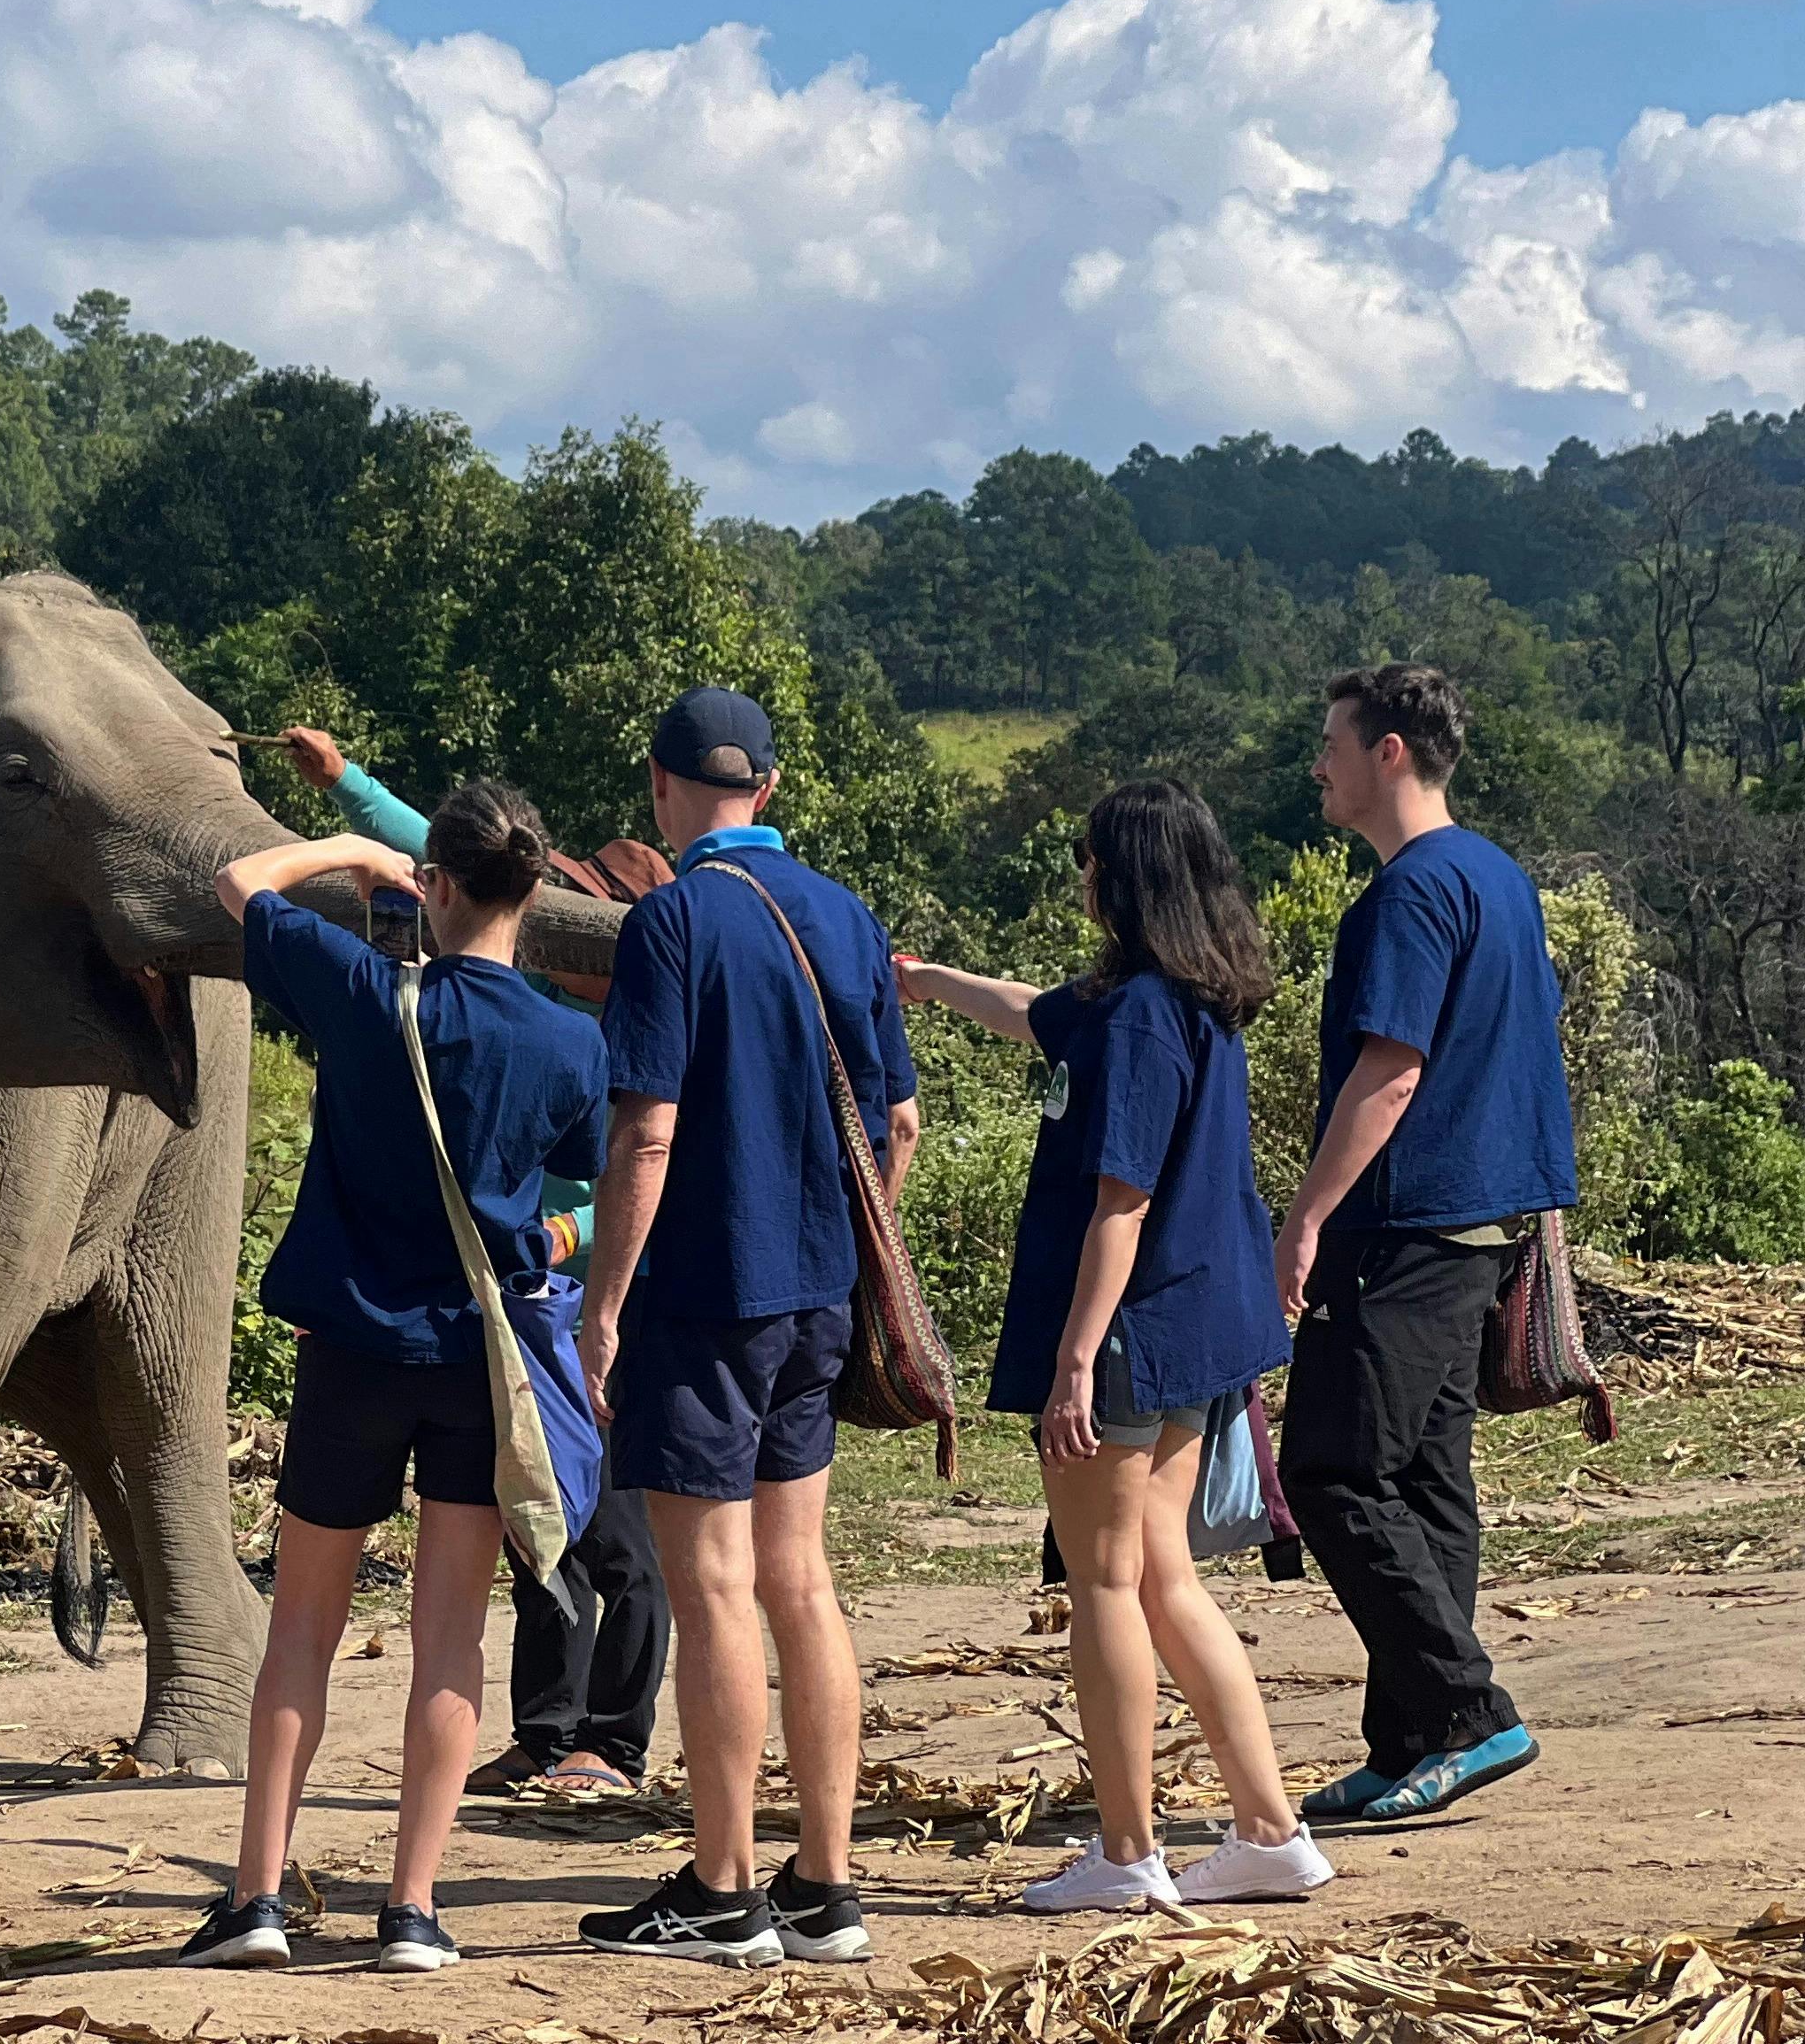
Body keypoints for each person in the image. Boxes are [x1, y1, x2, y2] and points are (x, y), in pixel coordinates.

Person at [183, 782, 612, 1978]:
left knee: (303, 1632)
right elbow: (579, 1180)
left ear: (437, 883)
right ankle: (413, 1910)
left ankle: (259, 1897)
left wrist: (358, 852)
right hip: (479, 1362)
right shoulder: (570, 1039)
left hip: (352, 1358)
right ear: (533, 892)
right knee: (447, 1645)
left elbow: (239, 884)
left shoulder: (370, 995)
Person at [897, 783, 1334, 1912]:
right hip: (1199, 1327)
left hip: (1131, 1330)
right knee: (1165, 1577)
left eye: (1089, 857)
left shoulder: (1139, 1017)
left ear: (1124, 876)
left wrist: (1076, 1356)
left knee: (1101, 1585)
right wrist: (928, 981)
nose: (1079, 873)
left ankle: (1130, 1852)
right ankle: (1269, 1830)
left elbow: (1121, 1204)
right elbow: (1032, 1009)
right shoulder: (1180, 1000)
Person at [577, 687, 913, 1971]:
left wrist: (604, 1305)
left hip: (704, 1298)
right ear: (765, 792)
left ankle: (722, 1890)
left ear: (662, 791)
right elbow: (899, 1123)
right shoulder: (844, 914)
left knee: (711, 1585)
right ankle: (826, 1887)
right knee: (801, 1581)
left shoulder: (667, 920)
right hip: (819, 1296)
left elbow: (646, 1127)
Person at [278, 727, 671, 1802]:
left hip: (576, 1300)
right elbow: (448, 858)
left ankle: (614, 1737)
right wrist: (347, 781)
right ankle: (545, 1730)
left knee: (607, 1523)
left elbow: (637, 1178)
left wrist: (568, 1245)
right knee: (525, 1527)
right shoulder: (545, 1020)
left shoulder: (620, 1031)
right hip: (500, 1304)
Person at [1277, 664, 1573, 1823]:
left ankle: (1468, 1711)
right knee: (1425, 1479)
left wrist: (1305, 1218)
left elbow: (1389, 1074)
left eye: (1333, 741)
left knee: (1335, 1474)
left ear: (1388, 751)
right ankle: (1411, 1741)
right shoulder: (1497, 878)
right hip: (1485, 1227)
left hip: (1402, 1225)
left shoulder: (1407, 896)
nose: (1320, 763)